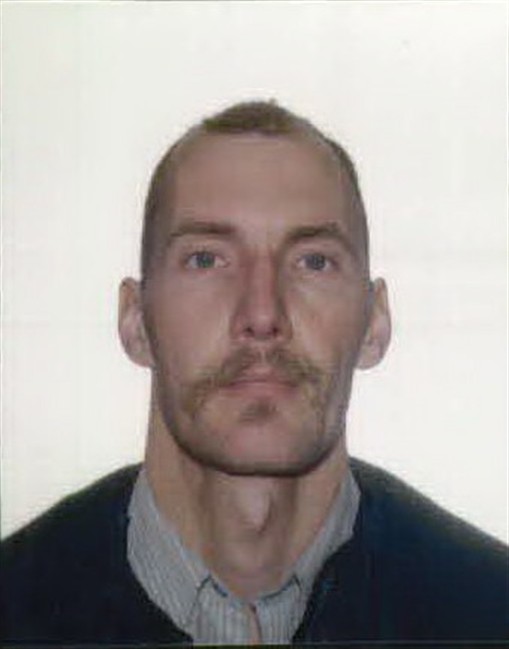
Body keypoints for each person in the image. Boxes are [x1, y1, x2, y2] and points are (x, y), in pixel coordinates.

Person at [1, 101, 507, 645]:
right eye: (206, 259)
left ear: (374, 323)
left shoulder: (490, 611)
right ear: (135, 321)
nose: (262, 314)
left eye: (313, 261)